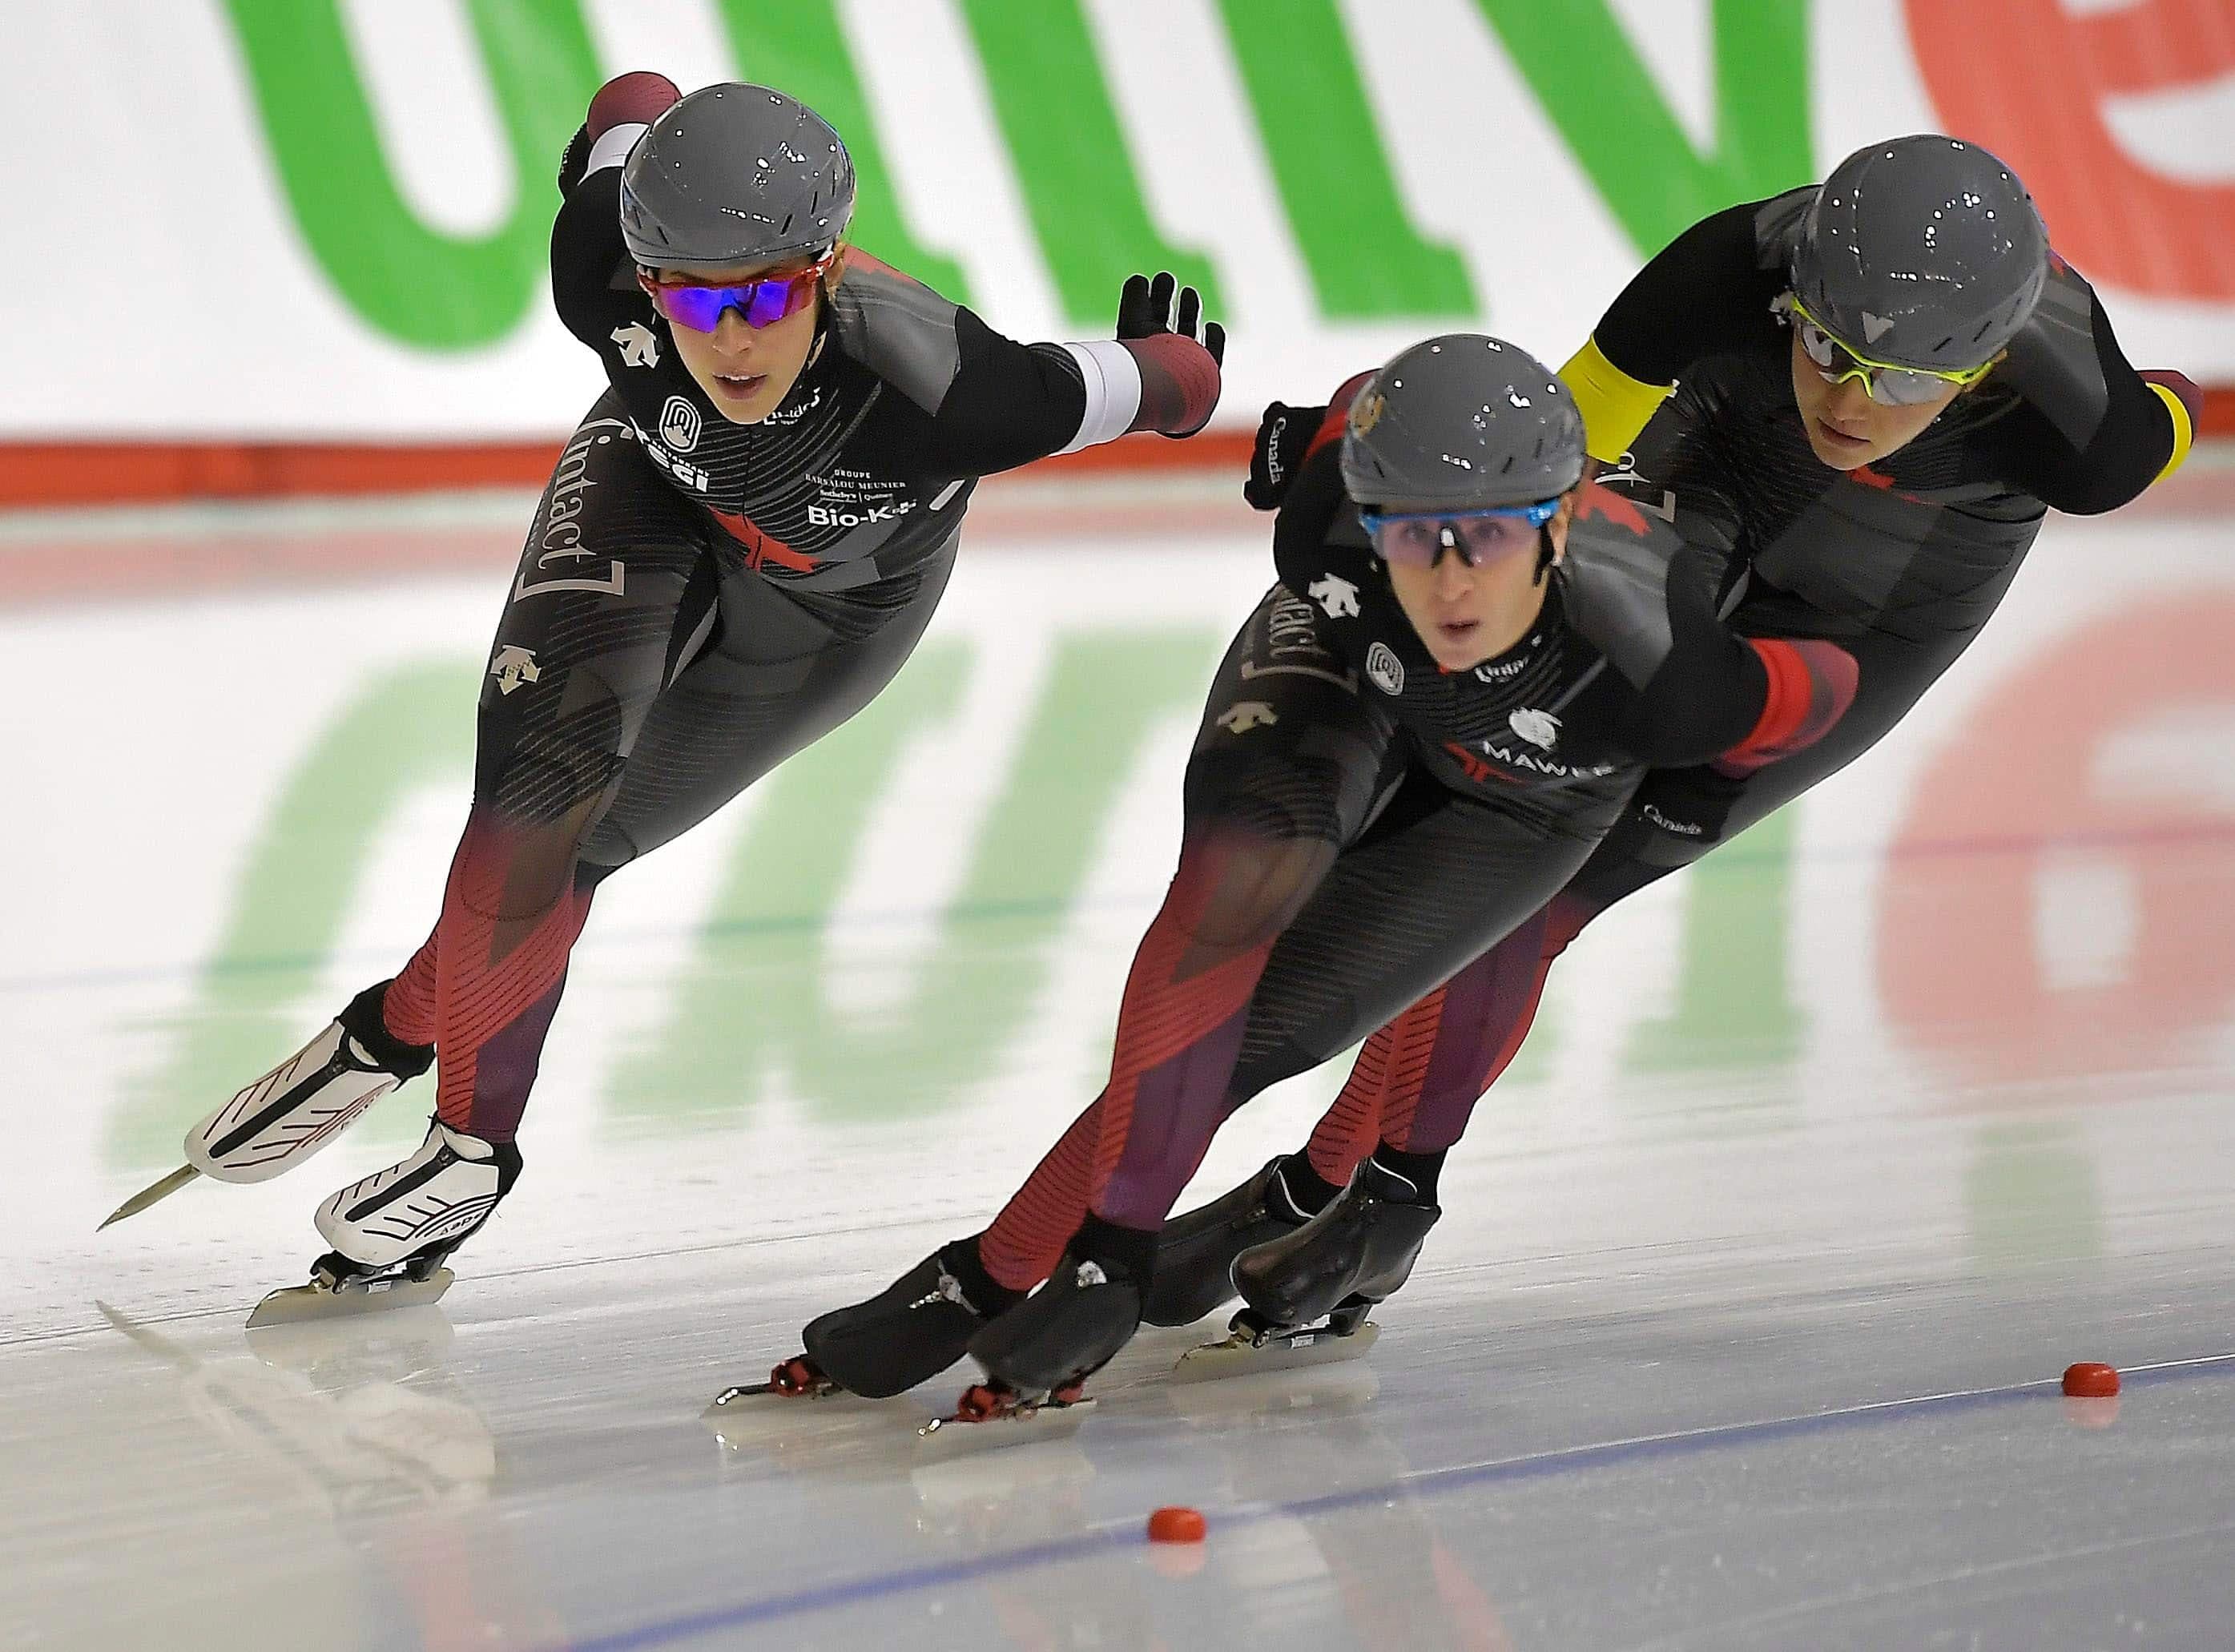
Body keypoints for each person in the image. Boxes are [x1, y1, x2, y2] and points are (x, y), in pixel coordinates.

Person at [120, 73, 1225, 1307]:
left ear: (825, 268)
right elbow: (628, 108)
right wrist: (626, 126)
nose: (728, 335)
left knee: (581, 855)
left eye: (763, 294)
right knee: (537, 798)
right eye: (692, 296)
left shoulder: (950, 388)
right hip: (649, 500)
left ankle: (395, 1024)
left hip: (831, 615)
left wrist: (1177, 370)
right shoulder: (601, 261)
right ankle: (470, 1151)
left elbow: (1156, 391)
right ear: (643, 279)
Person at [1141, 133, 2203, 1340]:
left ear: (1986, 366)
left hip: (1884, 599)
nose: (1849, 401)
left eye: (1904, 380)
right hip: (1704, 473)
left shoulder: (2083, 425)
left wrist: (2151, 388)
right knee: (1505, 827)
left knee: (1555, 894)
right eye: (1825, 346)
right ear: (1792, 298)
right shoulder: (1723, 269)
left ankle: (1357, 1191)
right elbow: (1541, 466)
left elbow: (2159, 419)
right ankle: (1330, 1186)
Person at [776, 332, 1857, 1417]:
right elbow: (1353, 408)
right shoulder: (1328, 530)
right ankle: (1058, 1262)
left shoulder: (1664, 671)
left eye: (1484, 536)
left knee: (1262, 1037)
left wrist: (1692, 794)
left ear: (1559, 522)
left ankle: (1313, 1199)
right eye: (1411, 534)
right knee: (1233, 885)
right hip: (1348, 667)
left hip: (1532, 780)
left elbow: (1829, 682)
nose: (1445, 578)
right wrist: (1114, 1245)